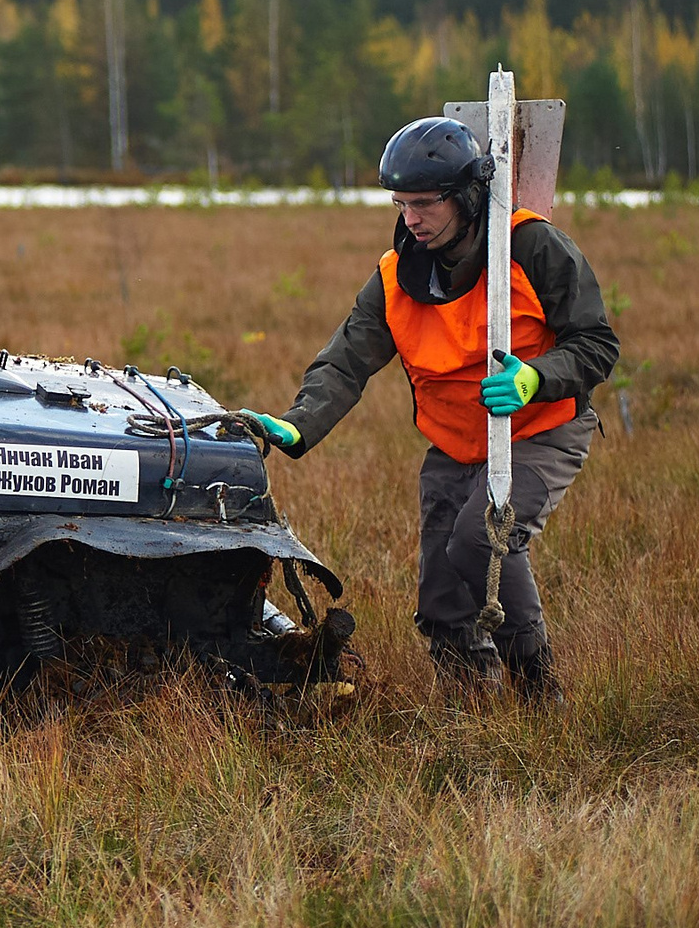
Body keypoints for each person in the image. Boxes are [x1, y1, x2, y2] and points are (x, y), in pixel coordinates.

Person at [240, 117, 619, 700]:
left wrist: (535, 379)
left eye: (424, 204)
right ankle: (471, 706)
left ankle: (539, 695)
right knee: (440, 600)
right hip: (453, 443)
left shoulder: (531, 247)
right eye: (400, 204)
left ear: (468, 197)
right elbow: (346, 362)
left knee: (478, 540)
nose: (410, 218)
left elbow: (596, 344)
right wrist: (297, 424)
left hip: (542, 429)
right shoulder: (397, 275)